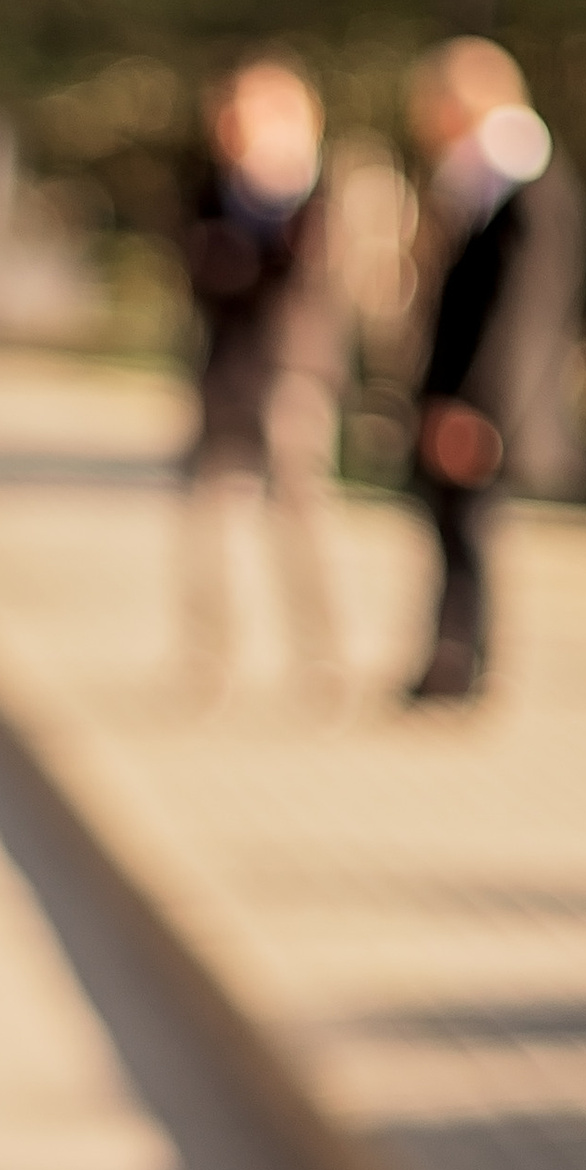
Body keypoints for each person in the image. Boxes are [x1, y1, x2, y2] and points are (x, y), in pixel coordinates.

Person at [402, 36, 586, 704]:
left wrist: (478, 407)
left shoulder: (524, 182)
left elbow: (519, 316)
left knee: (473, 535)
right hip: (458, 393)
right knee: (450, 532)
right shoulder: (477, 178)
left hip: (485, 402)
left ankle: (464, 663)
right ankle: (447, 658)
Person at [177, 53, 345, 695]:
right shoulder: (211, 190)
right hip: (225, 375)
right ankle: (209, 656)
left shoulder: (313, 192)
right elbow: (198, 270)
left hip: (292, 379)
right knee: (213, 520)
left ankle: (320, 654)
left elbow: (306, 283)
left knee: (302, 519)